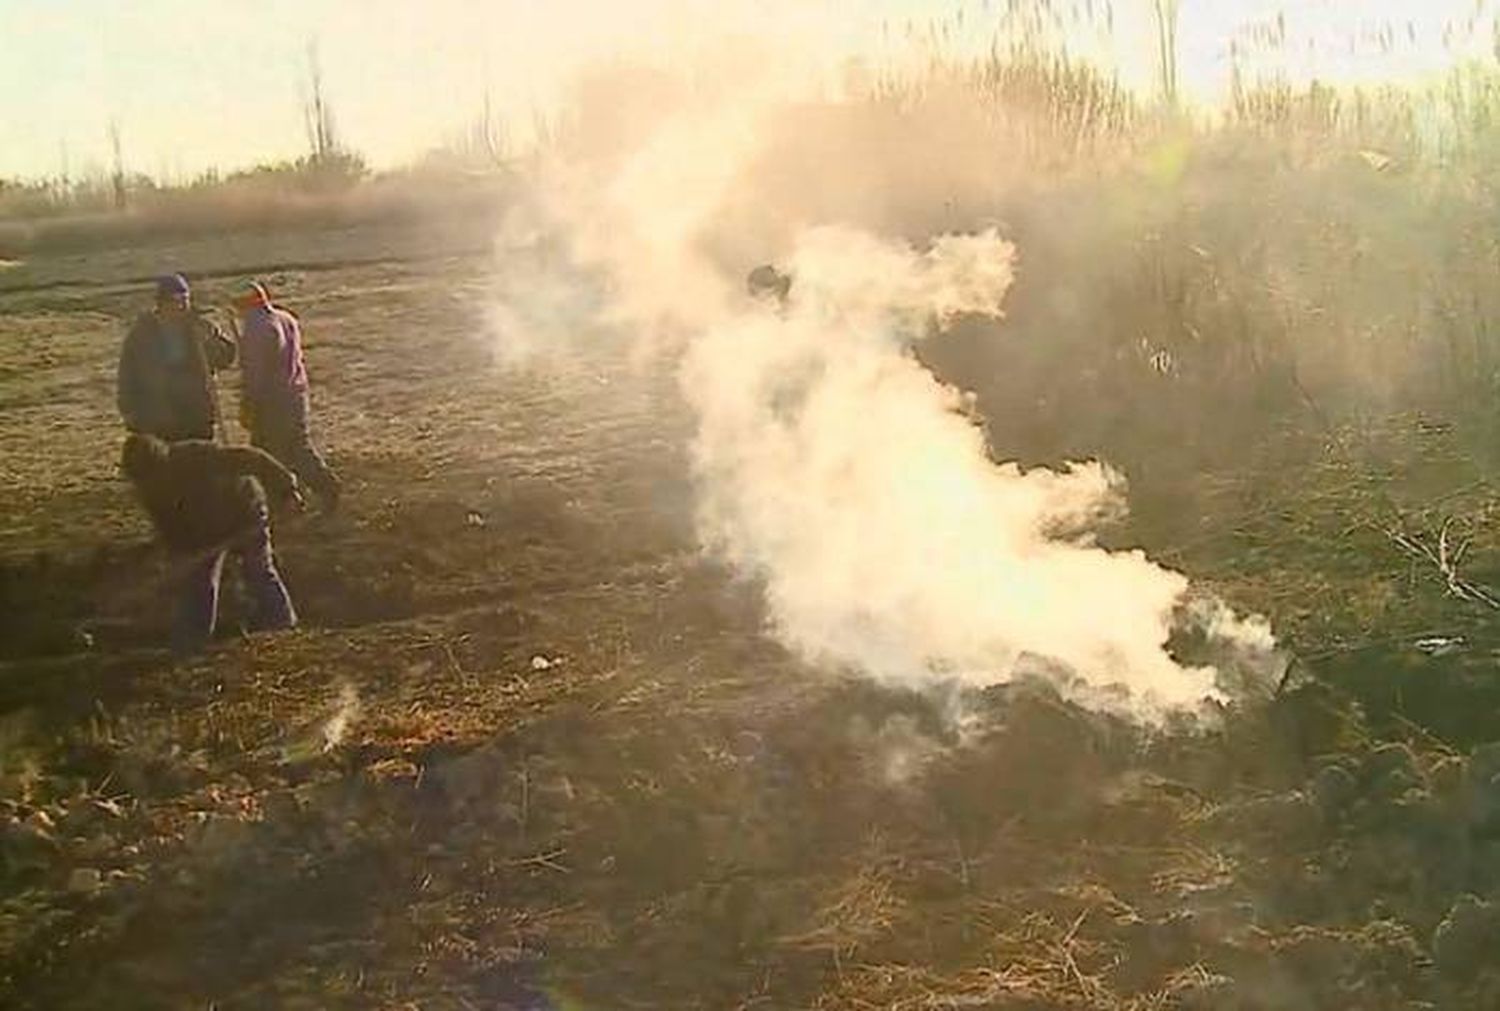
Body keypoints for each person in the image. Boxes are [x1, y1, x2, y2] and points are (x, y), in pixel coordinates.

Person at [120, 432, 302, 654]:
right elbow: (170, 530)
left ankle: (281, 625)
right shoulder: (149, 492)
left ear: (161, 462)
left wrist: (287, 489)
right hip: (203, 535)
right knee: (199, 582)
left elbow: (253, 458)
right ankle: (191, 643)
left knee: (258, 571)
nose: (151, 484)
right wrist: (181, 557)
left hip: (245, 514)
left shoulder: (200, 456)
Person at [233, 280, 341, 510]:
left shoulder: (256, 328)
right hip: (296, 393)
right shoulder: (285, 317)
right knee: (297, 446)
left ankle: (284, 499)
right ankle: (325, 484)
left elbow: (255, 371)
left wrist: (249, 402)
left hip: (273, 400)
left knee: (270, 452)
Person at [117, 273, 237, 442]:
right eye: (175, 300)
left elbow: (226, 358)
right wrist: (130, 413)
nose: (181, 306)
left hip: (196, 413)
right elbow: (127, 375)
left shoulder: (199, 326)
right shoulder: (142, 334)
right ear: (162, 303)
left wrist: (211, 341)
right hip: (160, 416)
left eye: (185, 300)